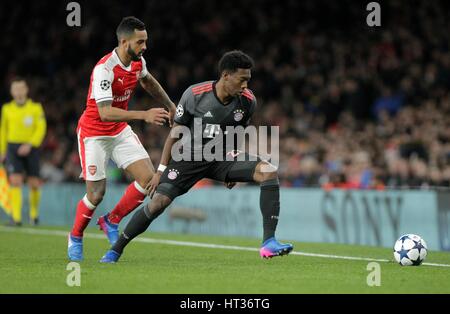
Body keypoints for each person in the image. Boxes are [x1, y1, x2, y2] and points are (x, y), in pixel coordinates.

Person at [100, 50, 293, 263]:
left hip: (222, 158)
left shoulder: (248, 101)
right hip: (189, 158)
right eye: (242, 80)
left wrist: (234, 171)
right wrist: (160, 170)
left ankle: (269, 242)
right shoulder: (195, 94)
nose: (246, 85)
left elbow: (237, 131)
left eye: (248, 80)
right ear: (226, 75)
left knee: (268, 171)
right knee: (158, 203)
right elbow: (175, 134)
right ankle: (116, 250)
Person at [68, 16, 177, 261]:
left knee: (150, 180)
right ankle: (75, 235)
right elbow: (105, 112)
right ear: (124, 41)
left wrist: (170, 105)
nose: (144, 47)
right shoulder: (104, 69)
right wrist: (145, 114)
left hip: (118, 131)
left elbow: (148, 81)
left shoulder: (138, 62)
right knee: (96, 194)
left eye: (146, 41)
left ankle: (112, 220)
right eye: (140, 42)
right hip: (94, 134)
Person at [0, 78, 46, 226]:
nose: (19, 92)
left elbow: (41, 127)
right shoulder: (7, 109)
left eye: (21, 89)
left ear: (26, 90)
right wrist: (2, 151)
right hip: (12, 147)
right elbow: (3, 130)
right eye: (16, 89)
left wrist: (30, 144)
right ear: (12, 92)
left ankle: (34, 215)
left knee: (34, 183)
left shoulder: (36, 108)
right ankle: (16, 218)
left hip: (31, 147)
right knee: (15, 181)